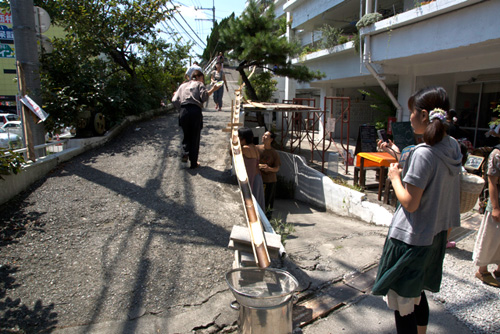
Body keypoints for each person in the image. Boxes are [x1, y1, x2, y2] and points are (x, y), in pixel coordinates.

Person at [372, 86, 463, 334]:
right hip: (436, 236)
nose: (409, 117)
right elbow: (427, 171)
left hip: (412, 239)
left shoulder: (424, 153)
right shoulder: (452, 146)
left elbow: (410, 202)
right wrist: (397, 154)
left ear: (424, 115)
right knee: (417, 294)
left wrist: (394, 178)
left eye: (412, 112)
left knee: (403, 303)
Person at [172, 70, 220, 169]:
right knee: (195, 137)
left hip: (183, 111)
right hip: (195, 111)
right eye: (202, 79)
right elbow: (204, 97)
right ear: (198, 77)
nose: (203, 81)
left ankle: (185, 152)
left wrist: (181, 109)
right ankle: (194, 163)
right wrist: (212, 90)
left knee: (186, 135)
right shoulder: (199, 84)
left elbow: (174, 100)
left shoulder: (182, 86)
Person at [472, 144, 500, 288]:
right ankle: (482, 270)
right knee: (490, 237)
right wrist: (495, 207)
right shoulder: (497, 154)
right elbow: (492, 182)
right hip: (498, 203)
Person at [238, 127, 265, 210]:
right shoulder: (254, 147)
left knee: (251, 201)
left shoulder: (245, 149)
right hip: (257, 177)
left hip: (251, 178)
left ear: (243, 138)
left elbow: (232, 152)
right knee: (257, 200)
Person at [257, 131, 280, 218]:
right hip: (258, 179)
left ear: (271, 139)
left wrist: (268, 168)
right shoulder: (257, 148)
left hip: (270, 181)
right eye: (263, 135)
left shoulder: (274, 153)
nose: (263, 137)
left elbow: (277, 168)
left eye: (266, 136)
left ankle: (267, 221)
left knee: (268, 202)